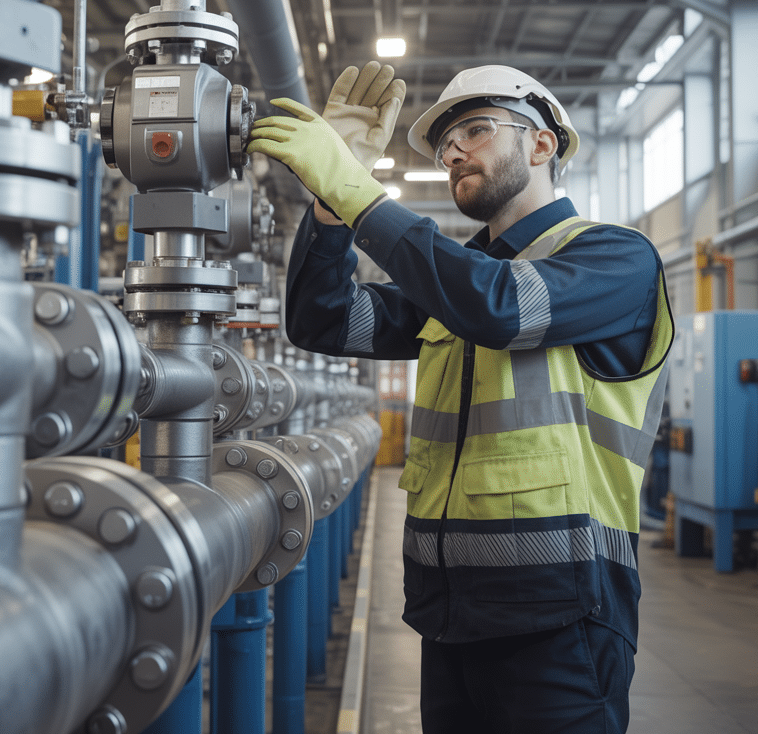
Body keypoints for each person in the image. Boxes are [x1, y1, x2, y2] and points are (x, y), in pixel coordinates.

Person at [247, 62, 674, 733]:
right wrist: (329, 208)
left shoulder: (615, 259)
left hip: (561, 619)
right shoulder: (453, 283)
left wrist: (359, 191)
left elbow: (501, 308)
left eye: (475, 129)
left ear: (542, 145)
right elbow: (324, 319)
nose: (453, 154)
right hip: (448, 611)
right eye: (446, 145)